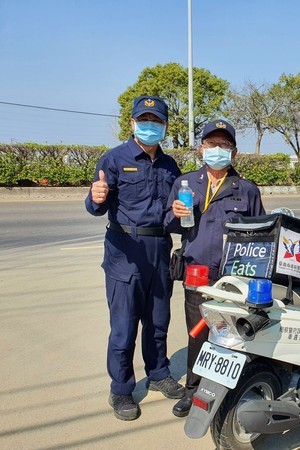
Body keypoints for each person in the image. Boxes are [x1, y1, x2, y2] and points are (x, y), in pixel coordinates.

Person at [85, 95, 185, 421]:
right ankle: (122, 389)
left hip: (160, 249)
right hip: (124, 249)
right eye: (144, 120)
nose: (150, 126)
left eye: (156, 121)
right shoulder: (115, 159)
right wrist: (95, 198)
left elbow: (176, 210)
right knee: (124, 326)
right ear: (132, 123)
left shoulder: (171, 166)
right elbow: (97, 203)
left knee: (158, 321)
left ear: (165, 126)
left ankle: (158, 373)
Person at [164, 119, 265, 417]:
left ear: (233, 152)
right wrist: (174, 213)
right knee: (197, 334)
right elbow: (168, 224)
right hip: (196, 273)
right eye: (211, 144)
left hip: (233, 278)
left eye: (224, 145)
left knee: (231, 335)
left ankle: (227, 390)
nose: (217, 149)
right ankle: (193, 390)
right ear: (201, 148)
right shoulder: (185, 183)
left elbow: (260, 234)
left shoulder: (246, 189)